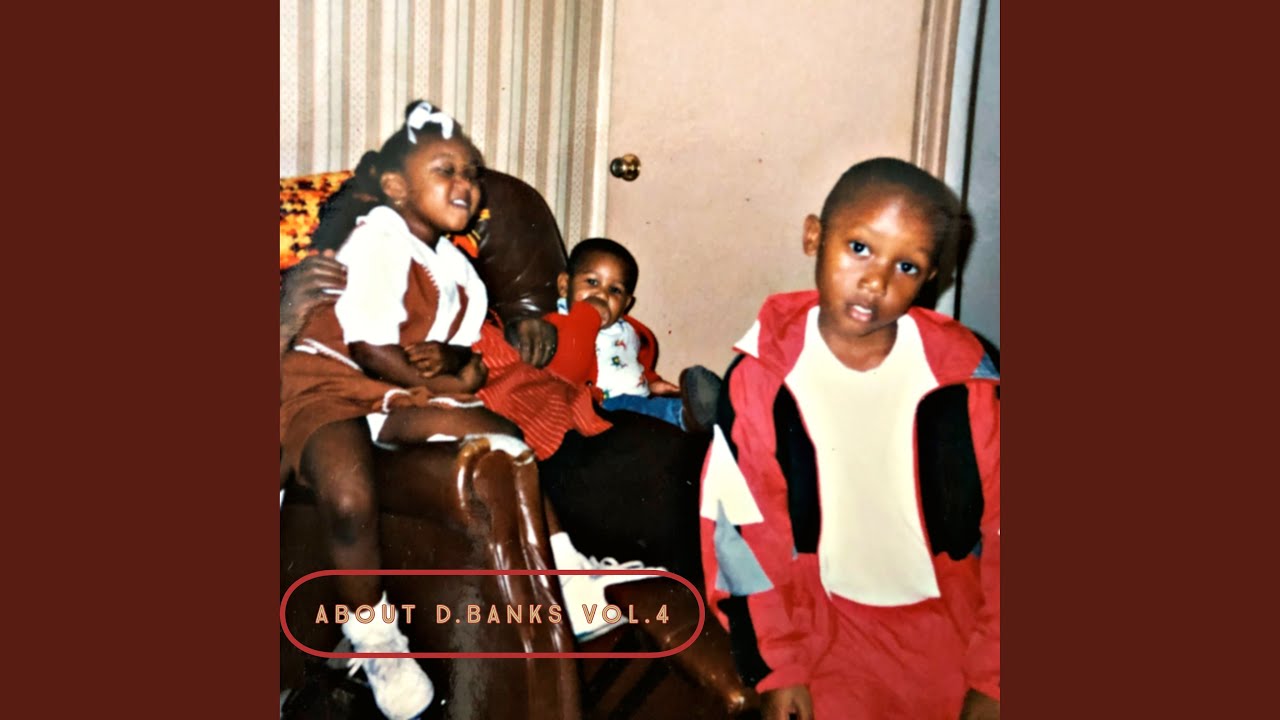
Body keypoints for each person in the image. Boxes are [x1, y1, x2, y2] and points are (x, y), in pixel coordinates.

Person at [699, 158, 1000, 719]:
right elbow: (743, 538)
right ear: (814, 236)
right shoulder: (763, 379)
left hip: (954, 621)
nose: (876, 282)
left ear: (931, 278)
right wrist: (780, 667)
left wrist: (995, 678)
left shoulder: (965, 378)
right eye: (859, 248)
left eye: (906, 266)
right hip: (826, 627)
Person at [542, 237, 721, 432]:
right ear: (565, 285)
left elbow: (632, 362)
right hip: (597, 408)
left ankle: (708, 412)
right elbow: (565, 368)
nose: (602, 295)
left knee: (650, 408)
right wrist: (587, 316)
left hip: (638, 400)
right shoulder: (556, 325)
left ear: (625, 303)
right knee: (646, 410)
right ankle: (684, 417)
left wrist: (653, 383)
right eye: (592, 282)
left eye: (615, 290)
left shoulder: (628, 330)